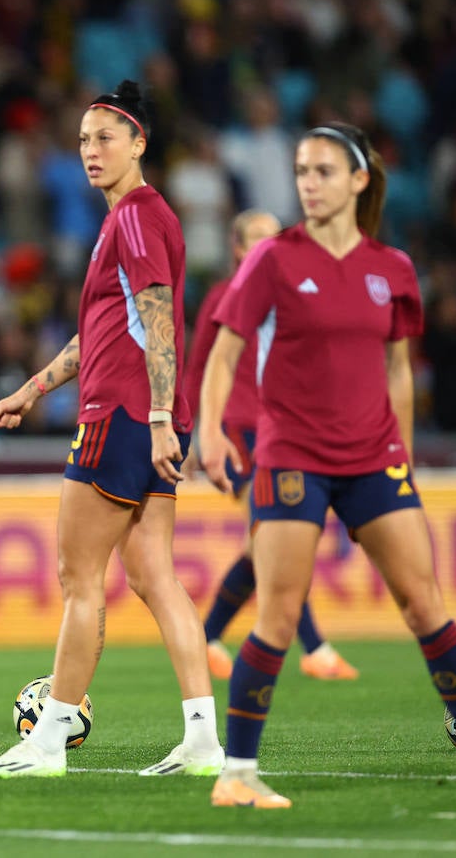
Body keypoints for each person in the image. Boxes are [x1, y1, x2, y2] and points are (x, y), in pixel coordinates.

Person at [198, 122, 456, 808]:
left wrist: (406, 454)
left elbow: (399, 369)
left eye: (324, 170)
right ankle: (237, 774)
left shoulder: (391, 268)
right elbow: (224, 348)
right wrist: (210, 432)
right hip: (291, 453)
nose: (308, 182)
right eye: (302, 169)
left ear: (359, 180)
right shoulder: (272, 257)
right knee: (276, 615)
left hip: (375, 458)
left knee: (424, 603)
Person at [0, 82, 223, 780]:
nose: (90, 150)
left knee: (78, 577)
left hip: (121, 417)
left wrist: (162, 417)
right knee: (155, 576)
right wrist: (32, 387)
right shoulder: (139, 219)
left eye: (105, 137)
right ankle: (203, 735)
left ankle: (48, 740)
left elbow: (162, 319)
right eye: (83, 139)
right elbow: (105, 332)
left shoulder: (136, 217)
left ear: (139, 143)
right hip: (147, 417)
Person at [184, 209, 359, 681]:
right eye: (258, 239)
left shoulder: (289, 298)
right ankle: (315, 648)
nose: (269, 247)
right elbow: (199, 368)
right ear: (238, 248)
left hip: (286, 433)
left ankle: (208, 635)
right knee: (271, 537)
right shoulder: (226, 296)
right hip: (240, 430)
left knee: (264, 541)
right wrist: (199, 432)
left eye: (275, 239)